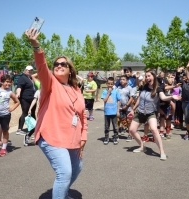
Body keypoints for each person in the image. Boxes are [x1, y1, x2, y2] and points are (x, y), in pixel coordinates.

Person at [25, 28, 87, 199]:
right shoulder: (50, 83)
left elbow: (82, 115)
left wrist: (83, 136)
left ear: (70, 70)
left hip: (71, 137)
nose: (58, 66)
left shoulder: (76, 89)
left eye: (63, 64)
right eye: (56, 64)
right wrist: (36, 46)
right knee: (65, 172)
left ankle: (62, 194)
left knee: (77, 167)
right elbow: (42, 66)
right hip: (51, 136)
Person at [128, 70, 181, 160]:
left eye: (149, 76)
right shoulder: (145, 86)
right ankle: (142, 147)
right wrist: (133, 110)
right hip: (140, 111)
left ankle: (162, 152)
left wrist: (172, 96)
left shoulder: (158, 88)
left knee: (154, 130)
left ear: (154, 76)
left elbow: (163, 97)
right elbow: (140, 98)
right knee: (132, 130)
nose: (147, 78)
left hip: (151, 112)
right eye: (146, 76)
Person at [16, 65, 36, 135]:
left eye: (31, 70)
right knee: (25, 112)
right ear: (25, 70)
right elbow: (19, 86)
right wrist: (18, 93)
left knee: (33, 113)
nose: (30, 71)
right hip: (25, 98)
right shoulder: (23, 78)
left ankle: (33, 129)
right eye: (28, 70)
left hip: (32, 98)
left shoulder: (30, 78)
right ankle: (19, 129)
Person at [101, 77, 121, 145]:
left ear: (113, 84)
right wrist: (108, 93)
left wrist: (118, 111)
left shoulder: (116, 91)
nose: (110, 85)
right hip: (107, 113)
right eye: (109, 83)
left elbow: (118, 101)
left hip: (114, 112)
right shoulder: (104, 91)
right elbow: (104, 100)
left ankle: (115, 137)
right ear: (106, 83)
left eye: (111, 84)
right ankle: (106, 138)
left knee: (115, 126)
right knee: (106, 126)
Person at [117, 75, 134, 142]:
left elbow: (131, 98)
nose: (121, 80)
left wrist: (126, 106)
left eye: (123, 79)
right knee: (118, 121)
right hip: (120, 108)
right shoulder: (118, 88)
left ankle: (129, 135)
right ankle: (116, 134)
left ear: (127, 81)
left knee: (129, 122)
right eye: (121, 79)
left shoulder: (130, 88)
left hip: (128, 108)